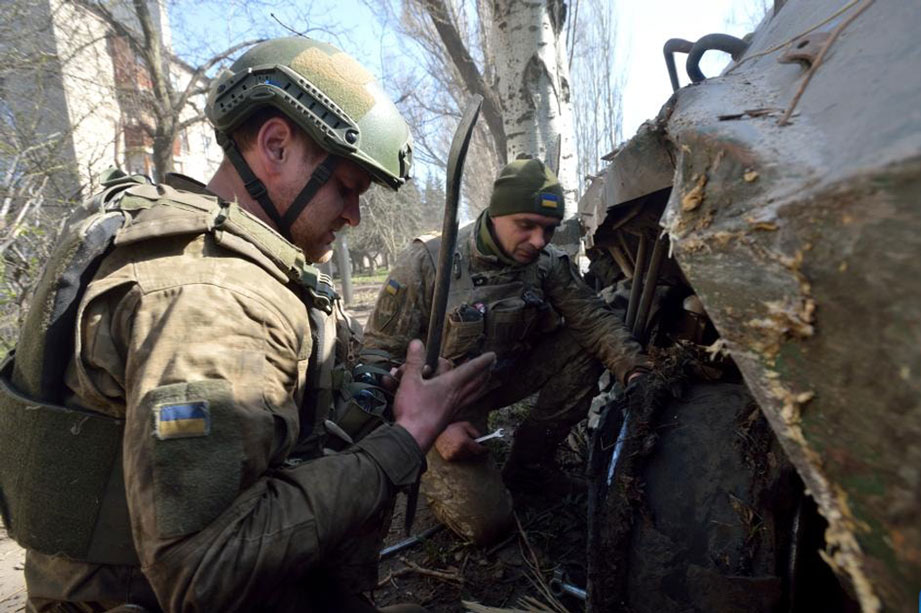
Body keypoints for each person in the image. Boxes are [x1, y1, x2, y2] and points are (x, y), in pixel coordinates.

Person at [0, 37, 494, 612]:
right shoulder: (213, 298)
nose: (354, 216)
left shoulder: (203, 243)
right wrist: (406, 437)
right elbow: (203, 574)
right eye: (346, 187)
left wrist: (374, 403)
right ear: (275, 144)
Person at [363, 159, 648, 545]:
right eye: (526, 225)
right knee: (488, 525)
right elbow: (377, 358)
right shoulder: (430, 263)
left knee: (585, 344)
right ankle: (430, 458)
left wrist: (635, 369)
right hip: (438, 404)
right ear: (495, 214)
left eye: (549, 229)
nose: (539, 240)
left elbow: (593, 320)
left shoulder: (546, 265)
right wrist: (433, 427)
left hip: (503, 377)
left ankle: (530, 464)